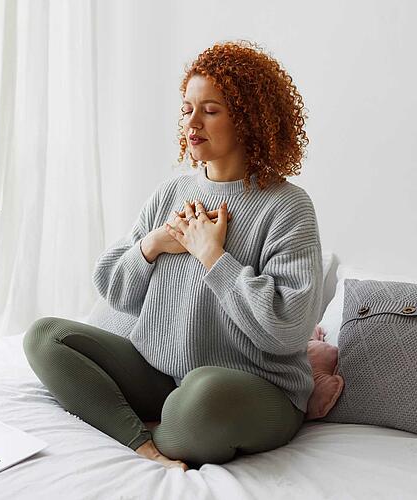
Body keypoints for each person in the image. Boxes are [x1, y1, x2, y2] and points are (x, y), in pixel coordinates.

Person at [23, 40, 323, 470]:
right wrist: (152, 246)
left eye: (211, 110)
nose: (192, 122)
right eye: (186, 109)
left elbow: (287, 331)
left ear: (248, 119)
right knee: (45, 336)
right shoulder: (172, 192)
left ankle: (142, 423)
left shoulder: (287, 206)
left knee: (202, 396)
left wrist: (213, 257)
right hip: (161, 375)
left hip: (252, 389)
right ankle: (142, 440)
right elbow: (113, 289)